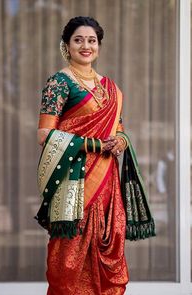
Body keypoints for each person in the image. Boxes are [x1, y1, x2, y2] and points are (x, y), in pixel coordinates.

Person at [36, 16, 155, 295]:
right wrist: (96, 146)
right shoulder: (60, 83)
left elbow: (120, 130)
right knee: (69, 256)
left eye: (91, 40)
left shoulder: (110, 89)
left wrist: (121, 142)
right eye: (78, 40)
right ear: (67, 45)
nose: (86, 46)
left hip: (107, 186)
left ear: (99, 45)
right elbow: (44, 135)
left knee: (109, 246)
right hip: (72, 184)